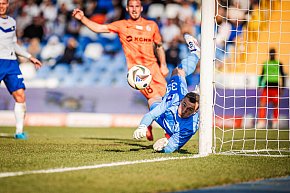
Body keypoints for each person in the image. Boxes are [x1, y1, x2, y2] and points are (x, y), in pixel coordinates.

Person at [72, 0, 169, 141]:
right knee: (154, 98)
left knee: (166, 99)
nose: (134, 9)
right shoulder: (122, 25)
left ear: (141, 8)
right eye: (131, 7)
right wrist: (82, 18)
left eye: (137, 6)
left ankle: (149, 124)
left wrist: (163, 65)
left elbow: (159, 46)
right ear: (127, 8)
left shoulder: (151, 25)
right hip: (138, 72)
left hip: (154, 68)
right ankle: (166, 132)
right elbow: (99, 28)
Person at [133, 34, 200, 153]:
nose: (185, 110)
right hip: (164, 116)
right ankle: (195, 54)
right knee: (177, 72)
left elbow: (171, 148)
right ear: (182, 100)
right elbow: (151, 114)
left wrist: (162, 148)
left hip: (176, 130)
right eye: (184, 105)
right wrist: (142, 126)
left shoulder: (192, 125)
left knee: (171, 139)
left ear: (195, 111)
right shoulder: (174, 99)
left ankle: (168, 134)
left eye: (190, 110)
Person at [0, 0, 42, 139]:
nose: (1, 6)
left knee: (20, 96)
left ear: (7, 5)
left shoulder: (11, 21)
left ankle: (19, 132)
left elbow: (13, 44)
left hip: (11, 63)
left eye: (4, 3)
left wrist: (30, 57)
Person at [257, 48, 286, 129]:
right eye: (271, 53)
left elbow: (283, 75)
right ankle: (261, 122)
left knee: (276, 105)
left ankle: (275, 122)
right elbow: (262, 74)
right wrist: (259, 85)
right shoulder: (265, 64)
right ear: (269, 54)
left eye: (273, 53)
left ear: (275, 54)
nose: (272, 55)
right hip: (267, 87)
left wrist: (282, 87)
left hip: (276, 87)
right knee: (262, 104)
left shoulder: (279, 63)